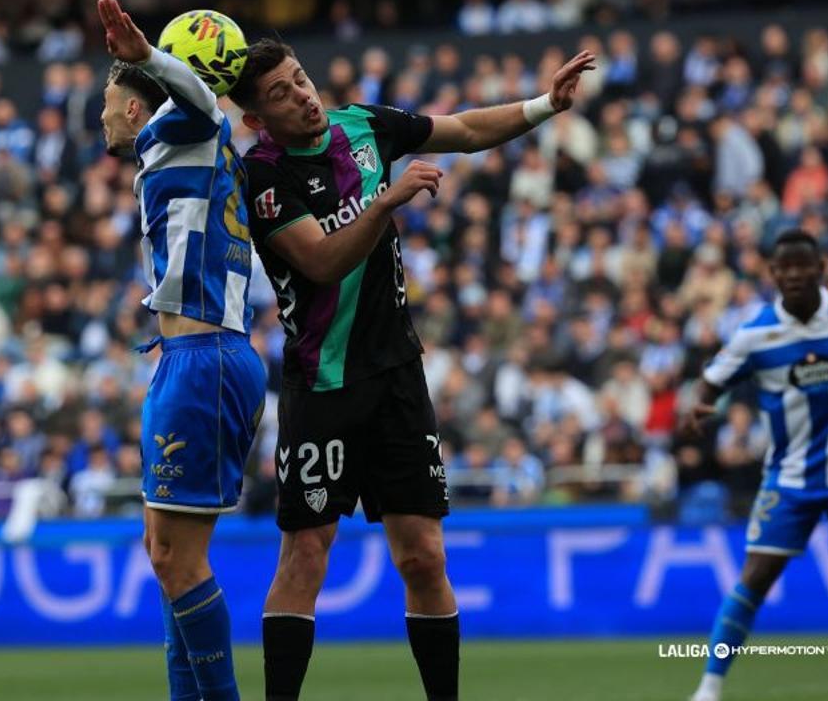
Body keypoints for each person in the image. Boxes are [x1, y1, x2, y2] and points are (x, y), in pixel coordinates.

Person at [227, 39, 594, 700]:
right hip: (322, 384)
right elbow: (321, 262)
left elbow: (464, 128)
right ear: (258, 119)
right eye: (280, 94)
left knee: (423, 556)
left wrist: (545, 105)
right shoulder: (263, 176)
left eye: (300, 79)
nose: (303, 95)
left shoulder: (362, 126)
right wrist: (386, 202)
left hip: (397, 376)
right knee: (306, 554)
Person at [96, 0, 266, 701]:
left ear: (137, 104)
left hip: (204, 357)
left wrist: (147, 61)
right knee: (166, 556)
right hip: (191, 357)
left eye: (109, 96)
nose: (102, 111)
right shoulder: (177, 146)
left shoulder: (183, 125)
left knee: (176, 558)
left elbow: (203, 102)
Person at [686, 229, 828, 701]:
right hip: (788, 480)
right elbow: (711, 381)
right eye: (783, 267)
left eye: (802, 265)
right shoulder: (756, 334)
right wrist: (702, 405)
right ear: (772, 273)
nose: (793, 275)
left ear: (821, 267)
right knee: (755, 580)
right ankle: (709, 687)